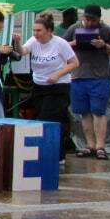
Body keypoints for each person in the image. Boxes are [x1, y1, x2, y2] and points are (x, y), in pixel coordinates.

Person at [15, 12, 79, 162]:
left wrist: (57, 74)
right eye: (34, 31)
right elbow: (23, 51)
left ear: (49, 31)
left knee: (49, 118)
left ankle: (54, 154)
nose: (36, 34)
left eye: (39, 31)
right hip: (40, 85)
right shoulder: (33, 41)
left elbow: (74, 63)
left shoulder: (60, 43)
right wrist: (17, 42)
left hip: (58, 86)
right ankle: (55, 152)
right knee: (46, 118)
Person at [65, 3, 110, 159]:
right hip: (78, 75)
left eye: (93, 20)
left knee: (99, 111)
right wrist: (74, 43)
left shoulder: (107, 31)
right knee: (84, 112)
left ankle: (100, 146)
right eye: (87, 19)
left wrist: (104, 46)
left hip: (99, 76)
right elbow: (60, 46)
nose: (90, 23)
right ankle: (90, 145)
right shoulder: (74, 28)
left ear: (99, 19)